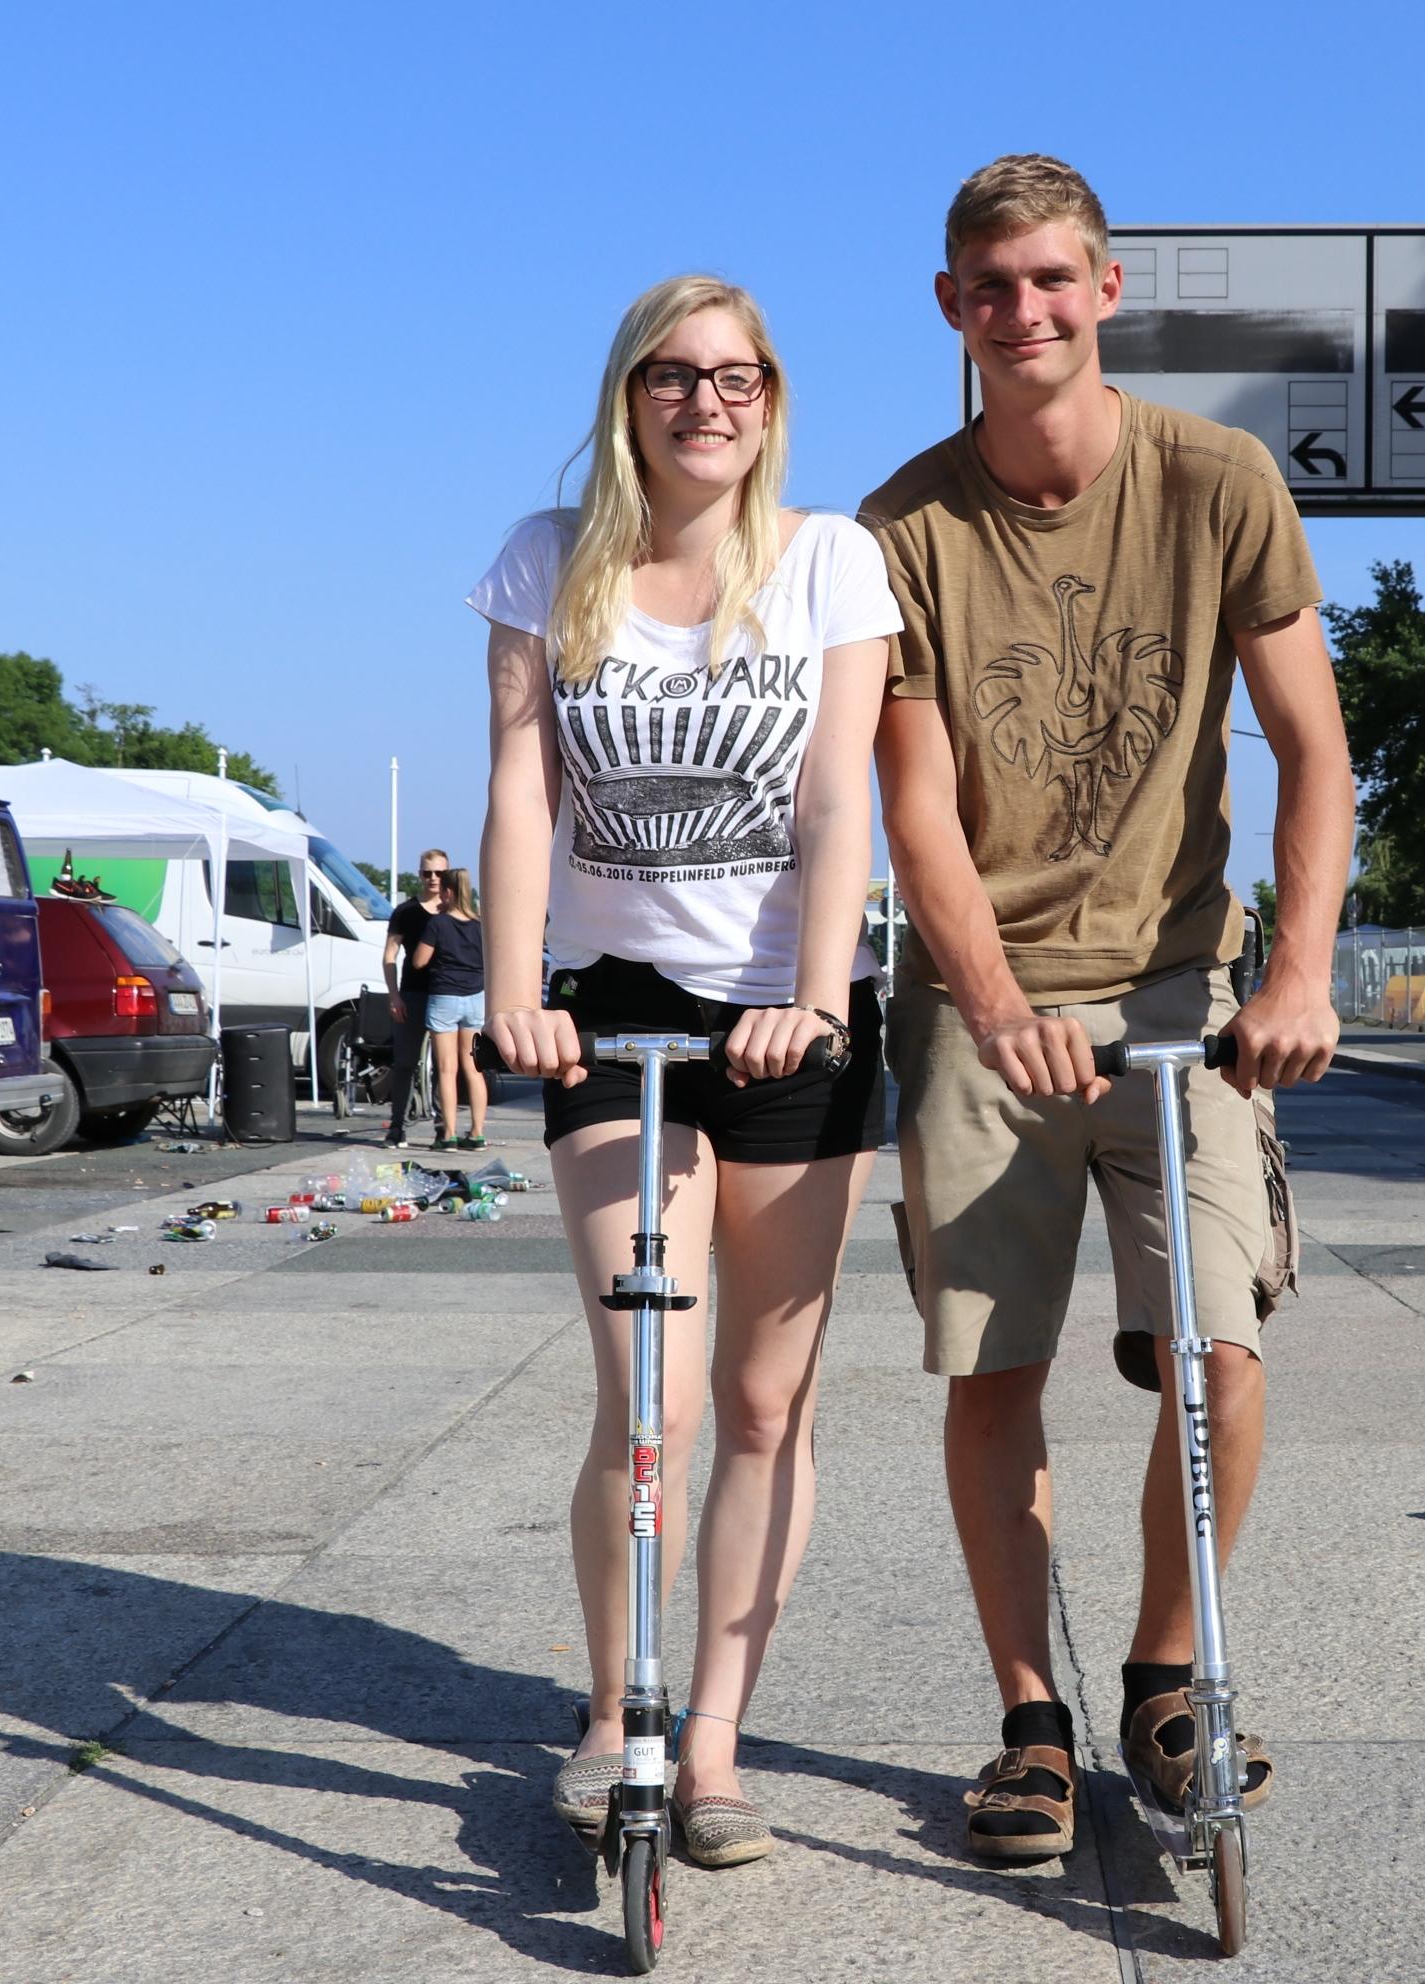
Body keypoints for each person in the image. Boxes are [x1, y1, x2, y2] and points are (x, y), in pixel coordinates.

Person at [860, 154, 1354, 1862]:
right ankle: (1029, 1721)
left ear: (1108, 288)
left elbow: (1313, 750)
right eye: (993, 286)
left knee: (1219, 1344)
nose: (1026, 310)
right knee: (994, 1363)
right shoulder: (902, 526)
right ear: (952, 307)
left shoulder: (1218, 480)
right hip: (983, 1006)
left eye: (1054, 279)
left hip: (1181, 992)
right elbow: (912, 807)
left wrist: (1298, 970)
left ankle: (1164, 1665)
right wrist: (989, 1001)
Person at [474, 274, 901, 1871]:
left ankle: (714, 1737)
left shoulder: (829, 562)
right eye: (673, 376)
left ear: (772, 400)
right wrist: (513, 994)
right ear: (626, 395)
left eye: (738, 378)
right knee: (640, 1382)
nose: (705, 404)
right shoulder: (547, 558)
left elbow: (833, 802)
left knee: (763, 1400)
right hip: (613, 1008)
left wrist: (811, 998)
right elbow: (521, 785)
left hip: (788, 1016)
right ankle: (613, 1712)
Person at [409, 866, 490, 1149]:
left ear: (449, 892)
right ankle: (478, 1133)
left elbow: (419, 960)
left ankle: (449, 1134)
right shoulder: (482, 924)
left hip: (444, 996)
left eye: (443, 890)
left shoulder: (438, 924)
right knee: (474, 1068)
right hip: (476, 997)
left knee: (446, 1069)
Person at [380, 848, 448, 1147]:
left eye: (439, 873)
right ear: (419, 874)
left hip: (448, 994)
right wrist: (394, 995)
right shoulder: (405, 911)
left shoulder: (456, 910)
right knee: (405, 1063)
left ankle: (445, 1129)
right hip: (413, 994)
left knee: (445, 1068)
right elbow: (390, 954)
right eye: (427, 872)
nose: (433, 879)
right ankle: (397, 1127)